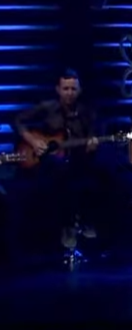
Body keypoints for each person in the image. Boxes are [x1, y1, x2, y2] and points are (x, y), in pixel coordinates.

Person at [15, 69, 100, 251]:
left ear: (80, 90)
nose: (69, 93)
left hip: (78, 160)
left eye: (73, 89)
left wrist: (91, 144)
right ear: (58, 89)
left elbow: (92, 137)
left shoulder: (87, 112)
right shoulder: (47, 108)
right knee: (59, 170)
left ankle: (86, 223)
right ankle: (67, 226)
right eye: (65, 88)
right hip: (49, 162)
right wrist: (33, 141)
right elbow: (17, 121)